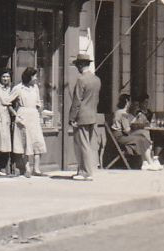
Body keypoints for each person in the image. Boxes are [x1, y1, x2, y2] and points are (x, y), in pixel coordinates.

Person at [67, 52, 103, 181]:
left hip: (81, 116)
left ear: (81, 65)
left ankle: (85, 172)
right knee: (88, 144)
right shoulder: (96, 79)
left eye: (77, 65)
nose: (77, 67)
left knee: (82, 145)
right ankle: (82, 170)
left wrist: (71, 118)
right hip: (92, 115)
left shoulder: (81, 80)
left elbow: (77, 101)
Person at [11, 66, 48, 177]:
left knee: (37, 142)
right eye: (34, 76)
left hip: (34, 116)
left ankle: (36, 169)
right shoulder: (18, 88)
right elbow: (8, 102)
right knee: (26, 143)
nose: (36, 78)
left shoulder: (35, 87)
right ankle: (27, 168)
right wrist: (16, 115)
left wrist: (40, 115)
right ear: (29, 77)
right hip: (23, 116)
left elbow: (38, 103)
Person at [111, 93, 157, 170]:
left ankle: (147, 163)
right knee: (141, 138)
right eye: (131, 101)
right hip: (120, 137)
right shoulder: (123, 113)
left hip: (119, 136)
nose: (132, 103)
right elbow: (127, 130)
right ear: (127, 101)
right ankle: (148, 162)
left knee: (142, 137)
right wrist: (136, 127)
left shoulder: (119, 112)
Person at [0, 68, 18, 176]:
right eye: (3, 77)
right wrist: (15, 114)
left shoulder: (9, 89)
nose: (5, 79)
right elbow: (5, 102)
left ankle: (1, 166)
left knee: (4, 143)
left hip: (5, 117)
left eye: (7, 76)